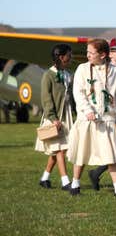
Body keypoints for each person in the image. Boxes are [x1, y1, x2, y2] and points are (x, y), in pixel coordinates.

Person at [66, 38, 116, 197]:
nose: (88, 55)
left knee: (113, 154)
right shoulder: (82, 69)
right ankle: (75, 185)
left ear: (103, 55)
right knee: (82, 153)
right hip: (88, 119)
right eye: (87, 52)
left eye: (91, 52)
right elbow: (79, 93)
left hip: (108, 120)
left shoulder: (115, 72)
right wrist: (87, 110)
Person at [89, 37, 116, 191]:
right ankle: (115, 184)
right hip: (112, 116)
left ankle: (98, 174)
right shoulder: (107, 71)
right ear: (110, 54)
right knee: (115, 150)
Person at [35, 43, 74, 190]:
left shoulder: (67, 74)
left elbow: (70, 97)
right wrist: (53, 118)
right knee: (60, 150)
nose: (71, 58)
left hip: (66, 116)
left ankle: (44, 178)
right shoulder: (48, 75)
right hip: (55, 118)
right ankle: (65, 182)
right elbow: (46, 99)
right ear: (61, 57)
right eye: (69, 56)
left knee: (57, 149)